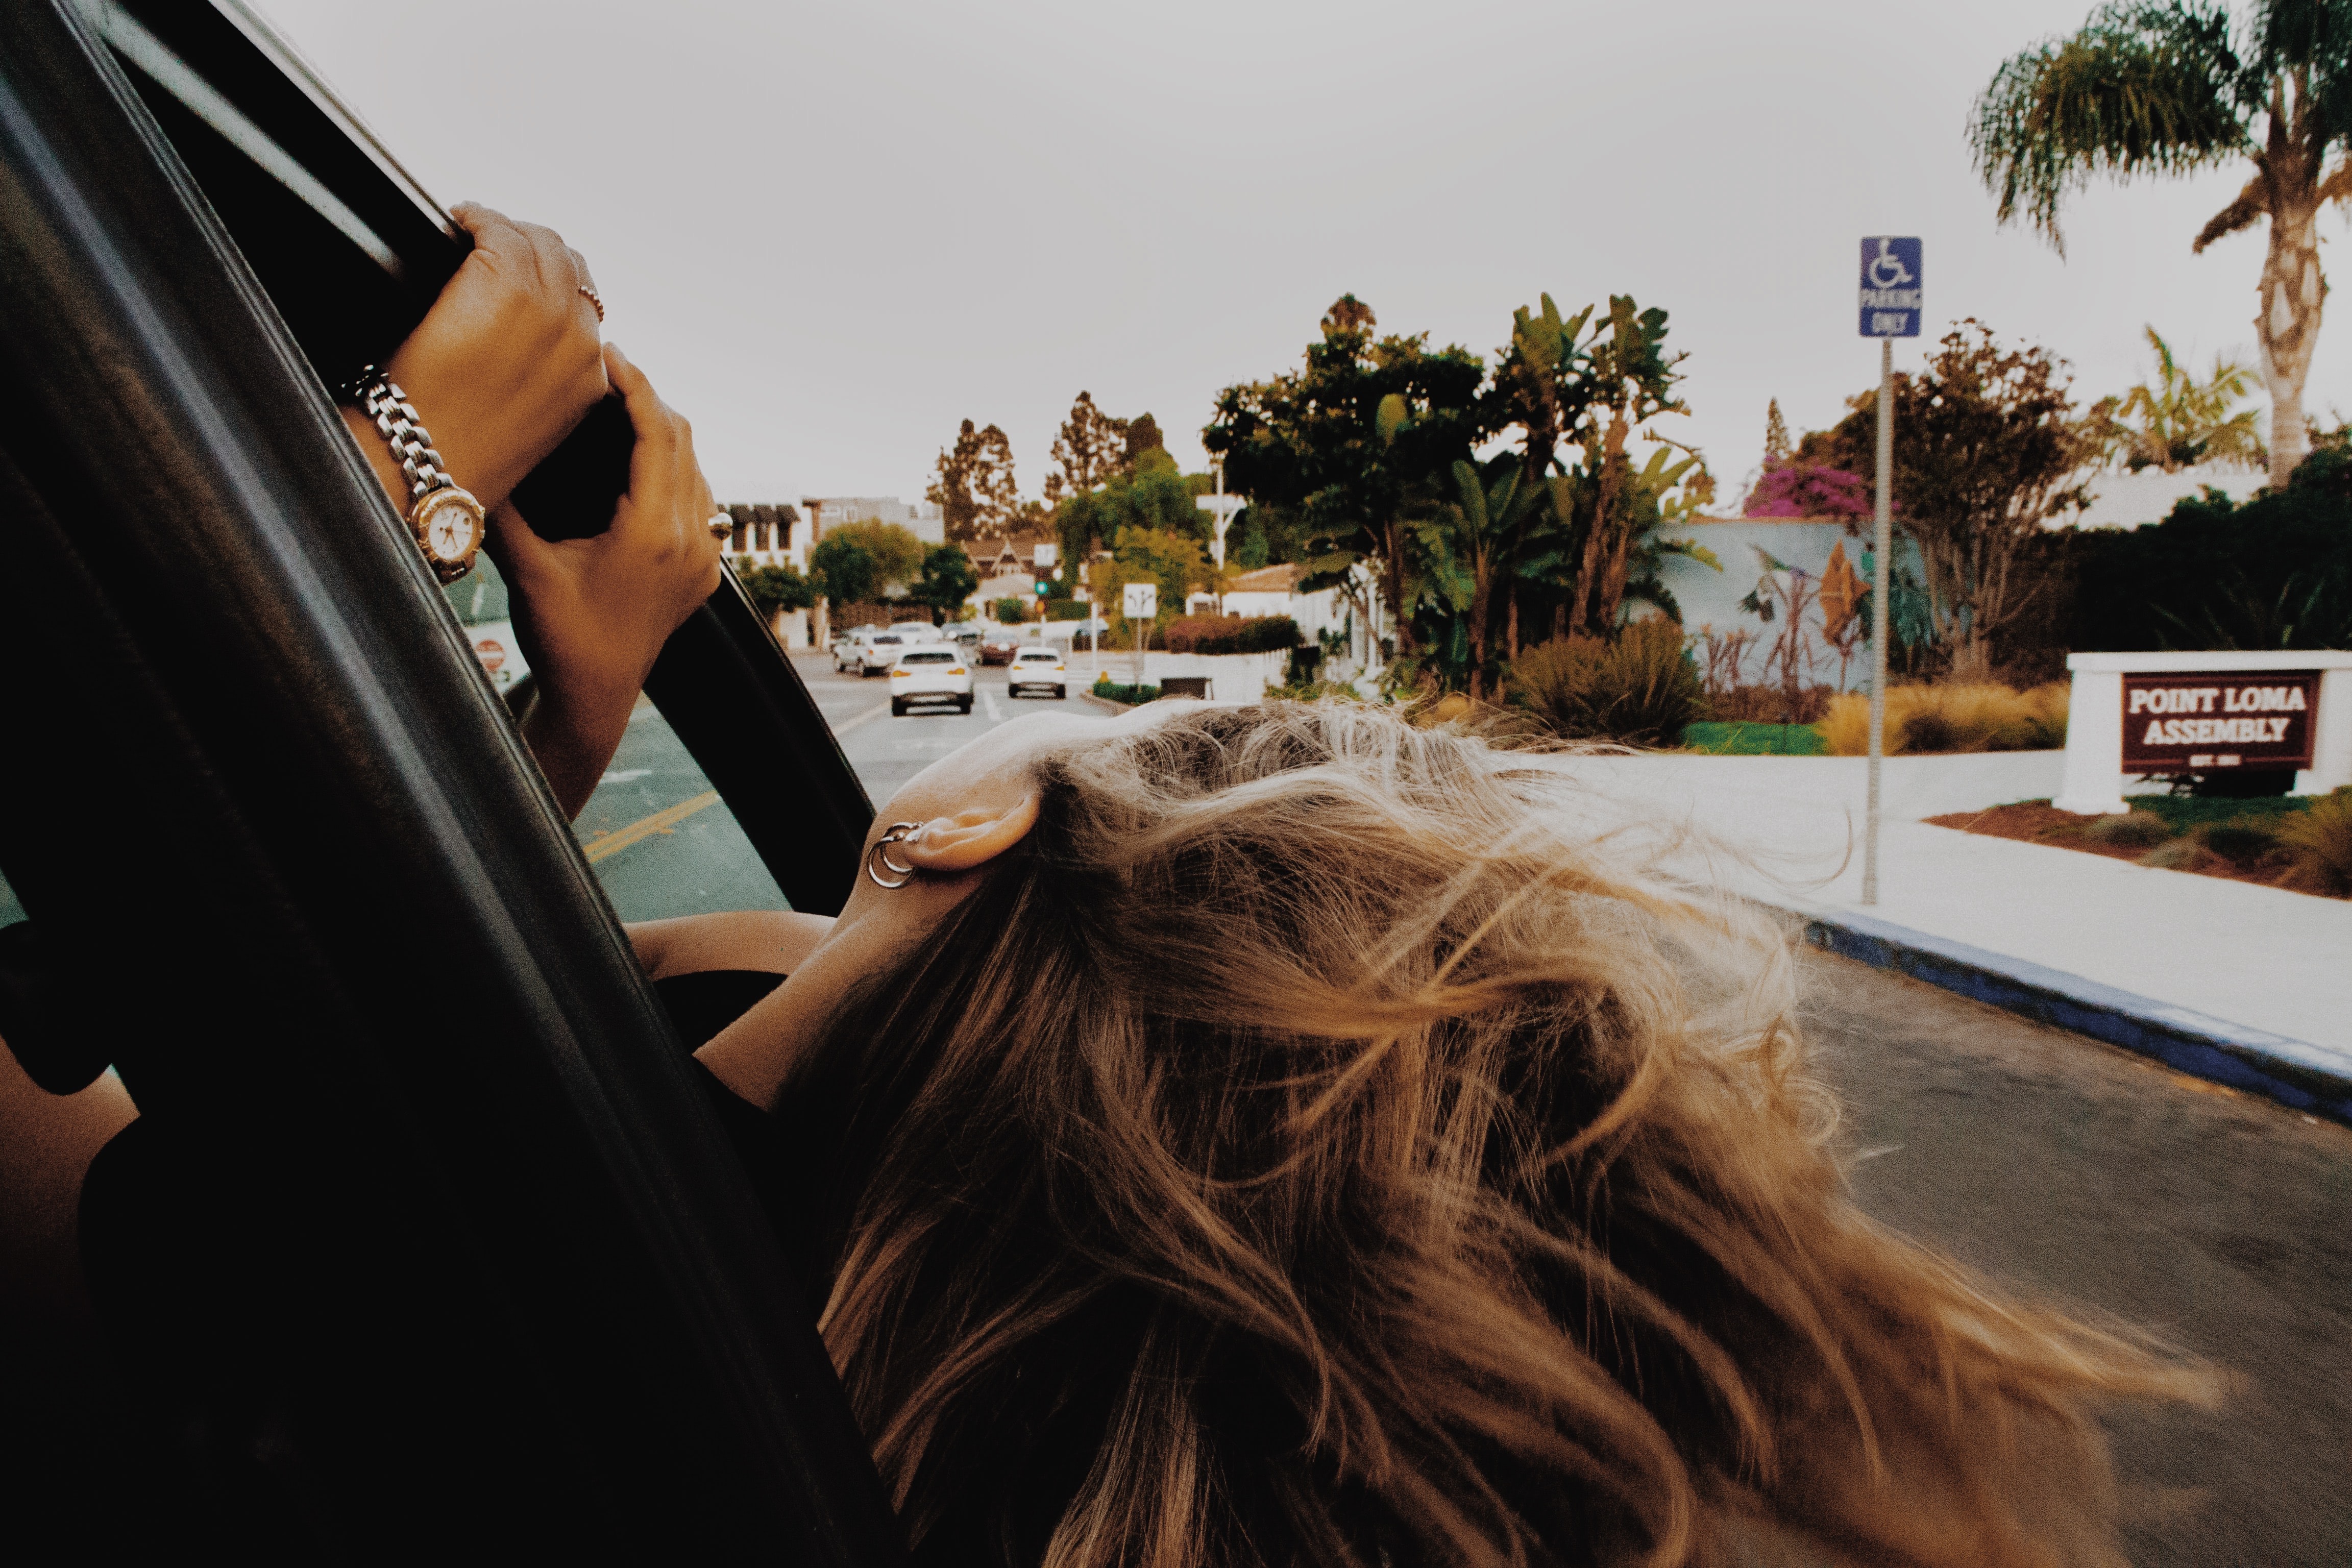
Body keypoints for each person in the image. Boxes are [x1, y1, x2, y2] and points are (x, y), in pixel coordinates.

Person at [1, 208, 2196, 1566]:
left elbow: (73, 1112)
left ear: (957, 833)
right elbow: (491, 959)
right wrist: (556, 719)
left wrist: (385, 492)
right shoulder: (789, 1319)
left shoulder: (400, 1255)